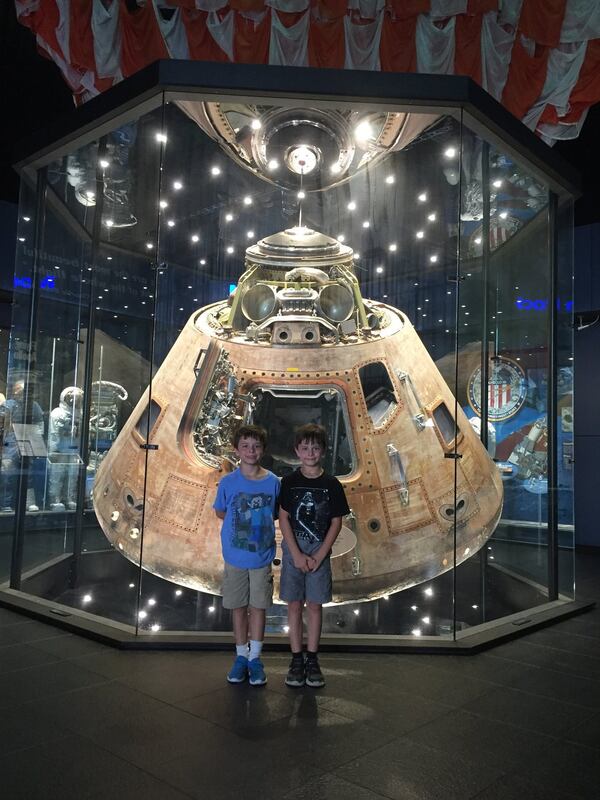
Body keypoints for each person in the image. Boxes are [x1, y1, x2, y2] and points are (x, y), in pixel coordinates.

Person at [279, 423, 350, 688]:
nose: (310, 452)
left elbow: (336, 522)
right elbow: (285, 518)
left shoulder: (332, 484)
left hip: (318, 552)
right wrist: (296, 554)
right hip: (294, 553)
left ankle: (312, 658)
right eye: (305, 448)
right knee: (294, 605)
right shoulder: (289, 482)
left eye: (315, 448)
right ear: (297, 450)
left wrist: (319, 556)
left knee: (315, 606)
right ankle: (296, 659)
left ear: (322, 451)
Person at [213, 424, 279, 686]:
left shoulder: (274, 482)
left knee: (259, 607)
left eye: (256, 446)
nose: (251, 451)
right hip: (235, 558)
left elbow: (274, 513)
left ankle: (255, 658)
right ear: (237, 450)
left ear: (262, 449)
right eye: (245, 446)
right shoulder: (228, 482)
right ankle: (241, 656)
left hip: (261, 558)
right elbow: (220, 511)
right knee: (238, 608)